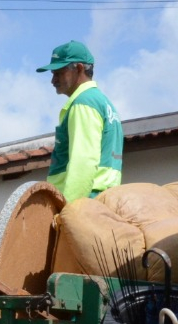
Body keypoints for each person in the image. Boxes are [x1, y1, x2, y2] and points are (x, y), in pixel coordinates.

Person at [37, 40, 123, 204]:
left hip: (85, 202)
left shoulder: (83, 103)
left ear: (78, 68)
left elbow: (83, 161)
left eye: (58, 73)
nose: (53, 80)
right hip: (103, 200)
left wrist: (69, 209)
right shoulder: (103, 102)